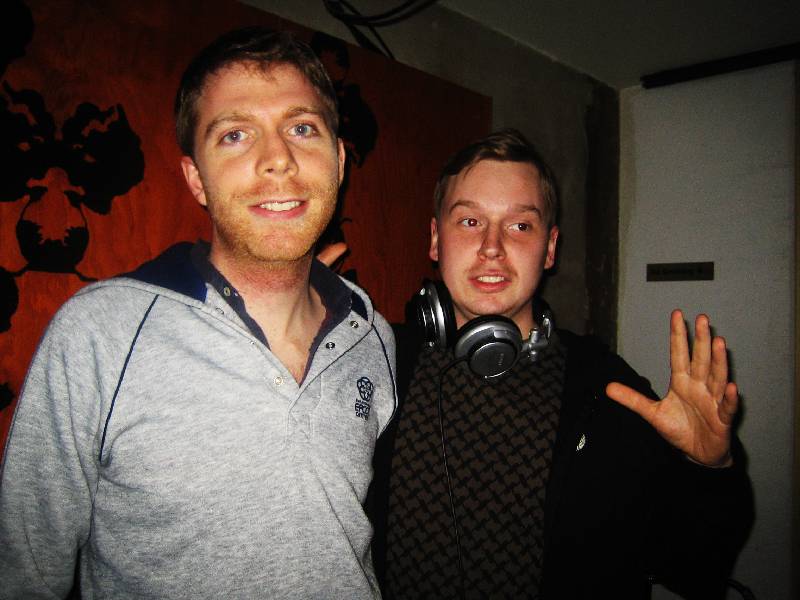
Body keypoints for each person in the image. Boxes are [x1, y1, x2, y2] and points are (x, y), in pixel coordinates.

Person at [0, 27, 396, 599]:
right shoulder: (99, 334)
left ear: (338, 161)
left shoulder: (372, 336)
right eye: (235, 135)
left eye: (301, 128)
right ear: (196, 180)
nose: (278, 160)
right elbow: (22, 577)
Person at [368, 129, 753, 599]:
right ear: (435, 239)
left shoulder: (604, 389)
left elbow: (693, 569)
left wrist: (708, 469)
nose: (492, 246)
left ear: (550, 248)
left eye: (520, 226)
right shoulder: (375, 362)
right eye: (469, 221)